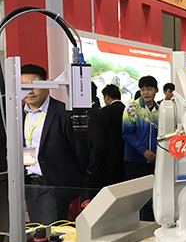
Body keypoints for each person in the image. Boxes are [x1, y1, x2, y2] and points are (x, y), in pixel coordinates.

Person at [21, 64, 88, 225]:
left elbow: (81, 151)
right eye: (23, 86)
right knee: (35, 229)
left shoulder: (64, 112)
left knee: (56, 231)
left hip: (56, 185)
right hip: (28, 183)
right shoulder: (16, 114)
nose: (29, 92)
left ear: (46, 84)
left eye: (34, 85)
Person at [122, 76, 160, 221]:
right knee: (136, 197)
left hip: (155, 161)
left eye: (149, 89)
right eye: (143, 89)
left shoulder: (161, 110)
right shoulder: (131, 108)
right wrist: (143, 151)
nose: (145, 92)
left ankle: (151, 225)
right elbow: (127, 133)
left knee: (153, 196)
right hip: (134, 160)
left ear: (156, 90)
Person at [101, 84, 126, 185]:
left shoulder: (103, 112)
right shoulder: (127, 110)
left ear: (107, 97)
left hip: (109, 155)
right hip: (125, 153)